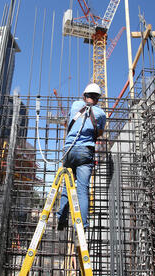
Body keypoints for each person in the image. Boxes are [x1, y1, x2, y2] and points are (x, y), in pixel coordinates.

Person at [56, 83, 106, 230]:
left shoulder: (75, 105)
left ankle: (61, 219)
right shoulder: (101, 114)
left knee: (66, 186)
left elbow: (70, 122)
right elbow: (99, 133)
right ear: (97, 99)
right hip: (85, 151)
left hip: (69, 150)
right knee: (83, 190)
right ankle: (82, 226)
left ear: (85, 96)